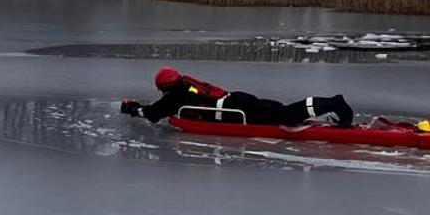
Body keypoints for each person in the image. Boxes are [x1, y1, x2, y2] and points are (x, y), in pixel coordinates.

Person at [120, 66, 354, 126]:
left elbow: (155, 113)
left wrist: (133, 109)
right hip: (237, 99)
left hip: (237, 112)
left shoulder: (177, 93)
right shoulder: (187, 84)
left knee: (285, 116)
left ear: (165, 87)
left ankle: (333, 103)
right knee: (280, 110)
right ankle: (328, 106)